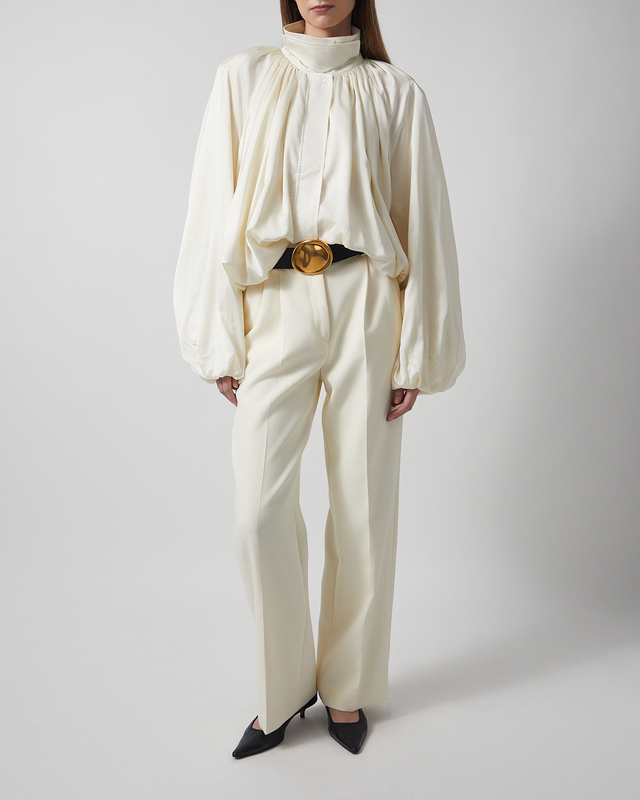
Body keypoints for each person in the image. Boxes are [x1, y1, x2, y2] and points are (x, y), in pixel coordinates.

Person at [174, 0, 465, 758]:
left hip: (368, 299)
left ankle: (347, 686)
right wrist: (220, 338)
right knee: (256, 512)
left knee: (364, 504)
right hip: (272, 302)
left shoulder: (396, 93)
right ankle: (282, 687)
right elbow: (210, 206)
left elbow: (423, 218)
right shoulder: (243, 78)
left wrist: (416, 351)